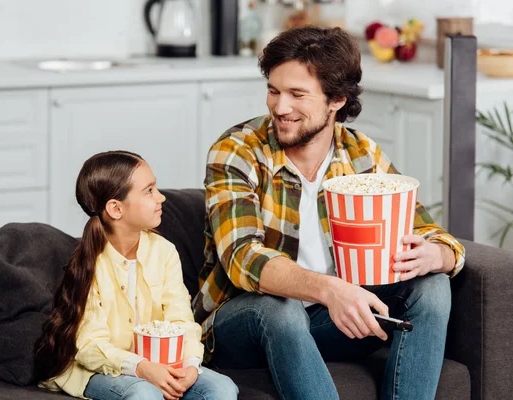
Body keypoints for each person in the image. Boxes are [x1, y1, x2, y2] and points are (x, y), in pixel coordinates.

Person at [192, 26, 465, 400]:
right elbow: (242, 258)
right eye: (273, 90)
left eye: (297, 94)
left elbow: (428, 229)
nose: (279, 107)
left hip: (327, 323)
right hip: (243, 324)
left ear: (336, 99)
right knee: (281, 310)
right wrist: (331, 290)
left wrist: (438, 254)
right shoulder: (238, 151)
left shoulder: (360, 154)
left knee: (433, 283)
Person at [34, 151, 238, 400]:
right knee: (143, 393)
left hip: (159, 365)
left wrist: (191, 365)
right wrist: (142, 368)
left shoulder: (164, 252)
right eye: (149, 190)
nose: (161, 197)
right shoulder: (91, 263)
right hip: (99, 369)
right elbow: (89, 347)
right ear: (116, 208)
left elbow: (182, 321)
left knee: (222, 388)